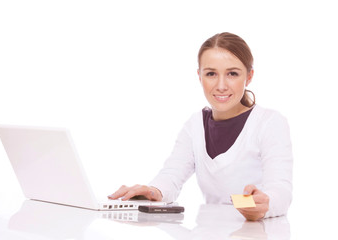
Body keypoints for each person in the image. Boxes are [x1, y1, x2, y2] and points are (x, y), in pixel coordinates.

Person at [108, 32, 293, 221]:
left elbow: (281, 191)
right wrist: (152, 191)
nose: (221, 86)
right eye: (211, 74)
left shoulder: (270, 123)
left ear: (249, 76)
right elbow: (171, 176)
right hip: (209, 231)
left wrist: (265, 204)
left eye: (232, 74)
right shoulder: (194, 126)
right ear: (199, 76)